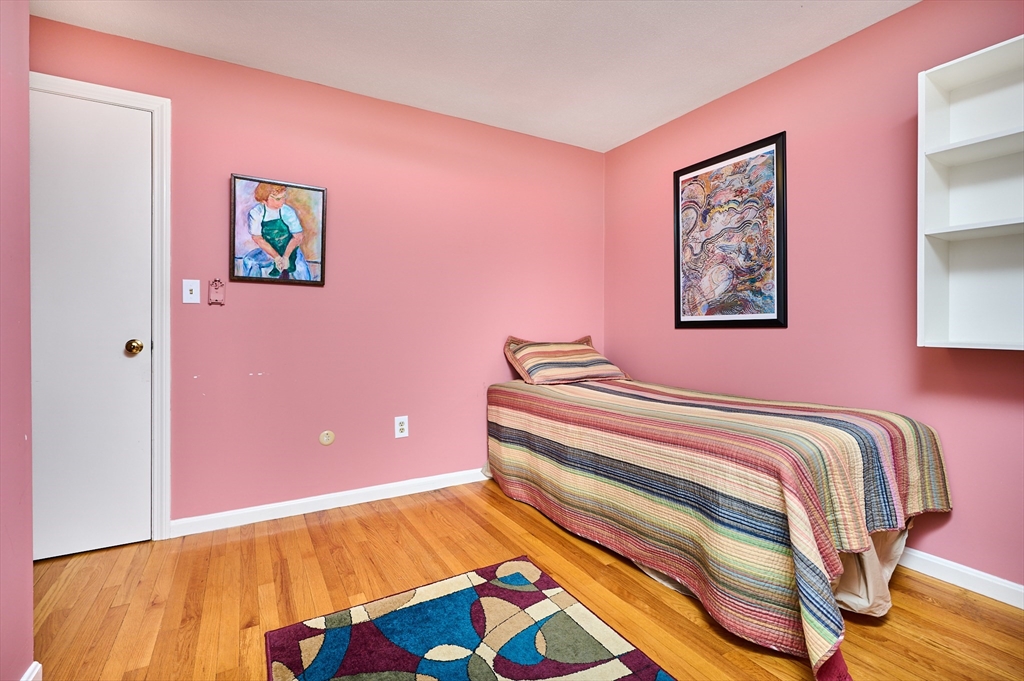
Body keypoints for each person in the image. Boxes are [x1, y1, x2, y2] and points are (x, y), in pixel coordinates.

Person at [241, 183, 311, 280]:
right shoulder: (256, 213)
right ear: (264, 200)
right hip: (268, 250)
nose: (282, 201)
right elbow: (258, 238)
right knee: (249, 261)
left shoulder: (287, 211)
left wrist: (286, 257)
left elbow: (297, 236)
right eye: (278, 199)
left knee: (301, 270)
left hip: (290, 249)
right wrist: (277, 257)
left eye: (283, 197)